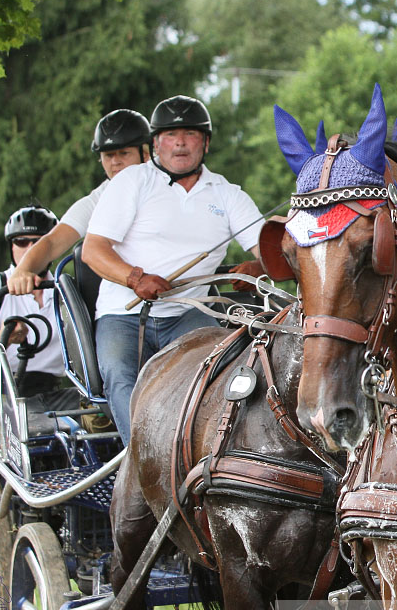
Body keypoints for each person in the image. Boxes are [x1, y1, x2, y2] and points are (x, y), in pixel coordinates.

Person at [82, 95, 265, 443]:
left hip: (188, 313)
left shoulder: (227, 194)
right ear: (155, 144)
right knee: (120, 375)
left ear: (206, 142)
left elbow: (268, 247)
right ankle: (140, 460)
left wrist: (261, 264)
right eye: (170, 135)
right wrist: (135, 278)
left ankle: (212, 456)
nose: (180, 142)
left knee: (225, 369)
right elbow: (93, 251)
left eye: (190, 134)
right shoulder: (133, 181)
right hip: (122, 314)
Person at [7, 109, 152, 296]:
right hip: (124, 307)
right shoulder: (98, 199)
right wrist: (23, 270)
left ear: (146, 154)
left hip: (181, 296)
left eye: (124, 153)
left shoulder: (167, 185)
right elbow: (52, 242)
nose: (115, 162)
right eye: (108, 155)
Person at [0, 205, 80, 413]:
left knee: (104, 412)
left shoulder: (67, 291)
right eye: (22, 242)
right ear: (11, 246)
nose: (30, 249)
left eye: (39, 242)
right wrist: (4, 337)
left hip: (52, 393)